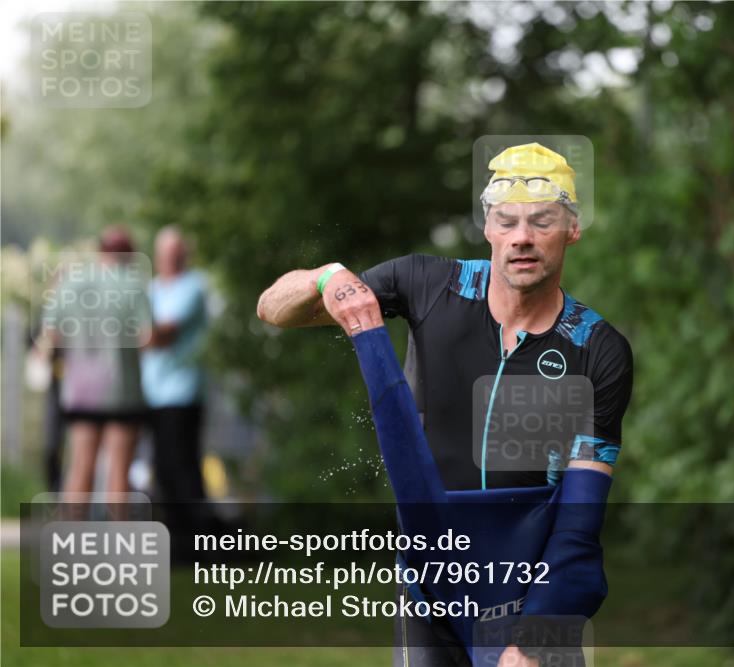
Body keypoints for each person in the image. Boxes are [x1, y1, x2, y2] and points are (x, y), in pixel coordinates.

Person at [258, 143, 633, 666]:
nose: (522, 238)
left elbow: (579, 518)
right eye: (507, 221)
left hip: (534, 589)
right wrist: (327, 278)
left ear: (573, 229)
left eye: (542, 222)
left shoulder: (597, 348)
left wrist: (536, 635)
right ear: (488, 228)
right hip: (431, 584)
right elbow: (273, 307)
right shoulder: (429, 285)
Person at [41, 226, 149, 499]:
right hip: (122, 391)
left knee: (80, 468)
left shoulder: (72, 283)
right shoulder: (133, 285)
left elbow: (51, 334)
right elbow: (147, 336)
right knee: (119, 474)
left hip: (81, 393)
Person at [142, 226, 210, 516]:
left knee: (184, 468)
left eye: (175, 253)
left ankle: (204, 541)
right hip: (153, 392)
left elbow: (162, 335)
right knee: (163, 469)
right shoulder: (153, 288)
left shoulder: (193, 286)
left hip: (182, 392)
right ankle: (179, 541)